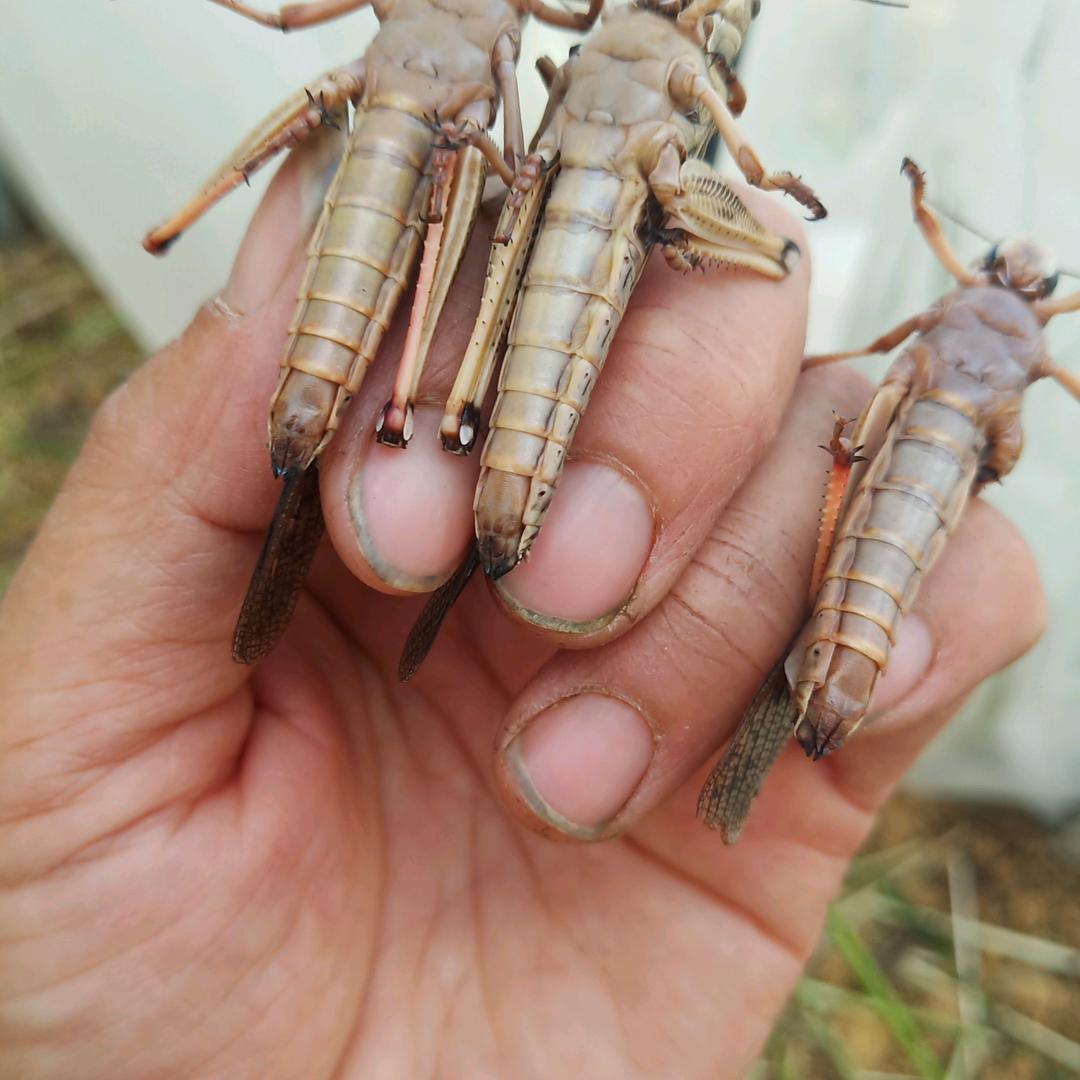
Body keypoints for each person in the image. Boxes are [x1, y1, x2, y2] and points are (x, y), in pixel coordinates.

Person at [0, 141, 1044, 1078]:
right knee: (830, 452)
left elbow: (969, 435)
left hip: (869, 517)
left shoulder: (965, 329)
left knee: (844, 469)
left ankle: (786, 679)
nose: (1019, 279)